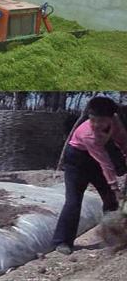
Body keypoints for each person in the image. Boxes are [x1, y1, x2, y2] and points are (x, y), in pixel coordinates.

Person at [52, 97, 127, 255]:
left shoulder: (115, 122)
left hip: (96, 160)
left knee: (110, 200)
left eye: (101, 121)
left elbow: (123, 141)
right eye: (93, 120)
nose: (96, 125)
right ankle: (62, 241)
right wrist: (114, 186)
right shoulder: (88, 134)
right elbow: (105, 162)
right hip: (76, 161)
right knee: (73, 201)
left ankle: (113, 235)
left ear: (111, 118)